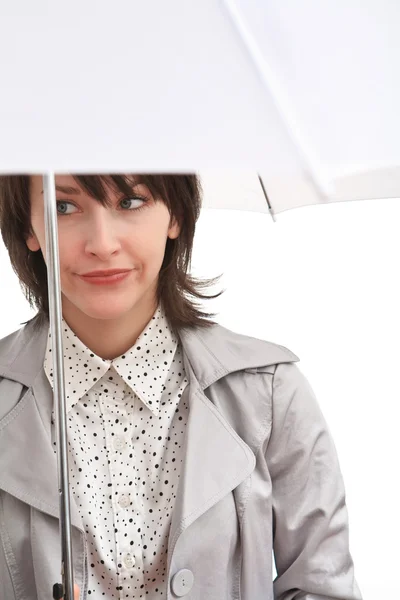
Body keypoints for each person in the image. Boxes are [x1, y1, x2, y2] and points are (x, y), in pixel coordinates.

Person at [0, 174, 363, 600]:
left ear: (175, 214)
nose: (102, 242)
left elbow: (323, 587)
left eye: (131, 202)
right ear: (28, 226)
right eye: (64, 207)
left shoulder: (269, 393)